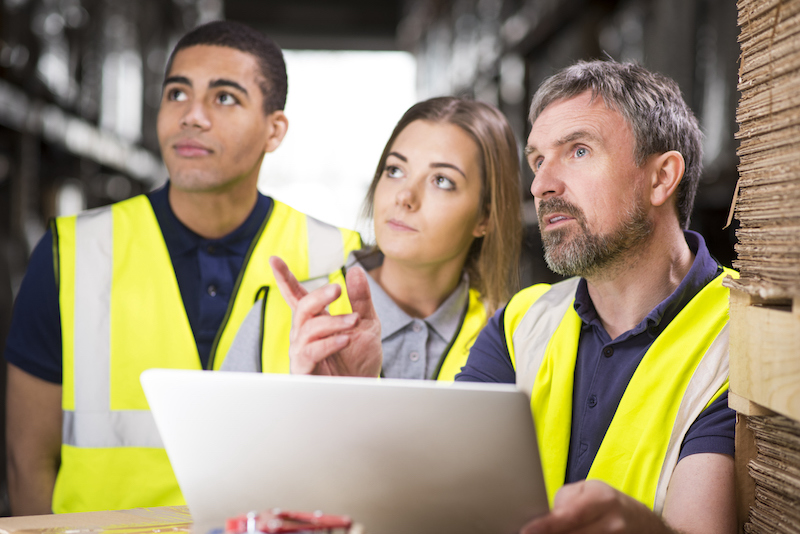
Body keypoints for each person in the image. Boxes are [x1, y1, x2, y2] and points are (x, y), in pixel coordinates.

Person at [273, 60, 737, 534]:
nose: (540, 185)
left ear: (661, 178)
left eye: (577, 151)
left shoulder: (738, 336)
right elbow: (436, 496)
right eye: (538, 160)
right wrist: (354, 401)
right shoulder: (521, 323)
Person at [4, 21, 360, 515]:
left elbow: (358, 458)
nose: (192, 116)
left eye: (225, 98)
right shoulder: (74, 252)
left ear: (274, 130)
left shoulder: (339, 261)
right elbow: (28, 459)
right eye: (177, 93)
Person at [223, 96, 522, 380]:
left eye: (441, 180)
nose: (405, 196)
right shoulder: (276, 316)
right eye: (395, 170)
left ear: (485, 217)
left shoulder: (515, 337)